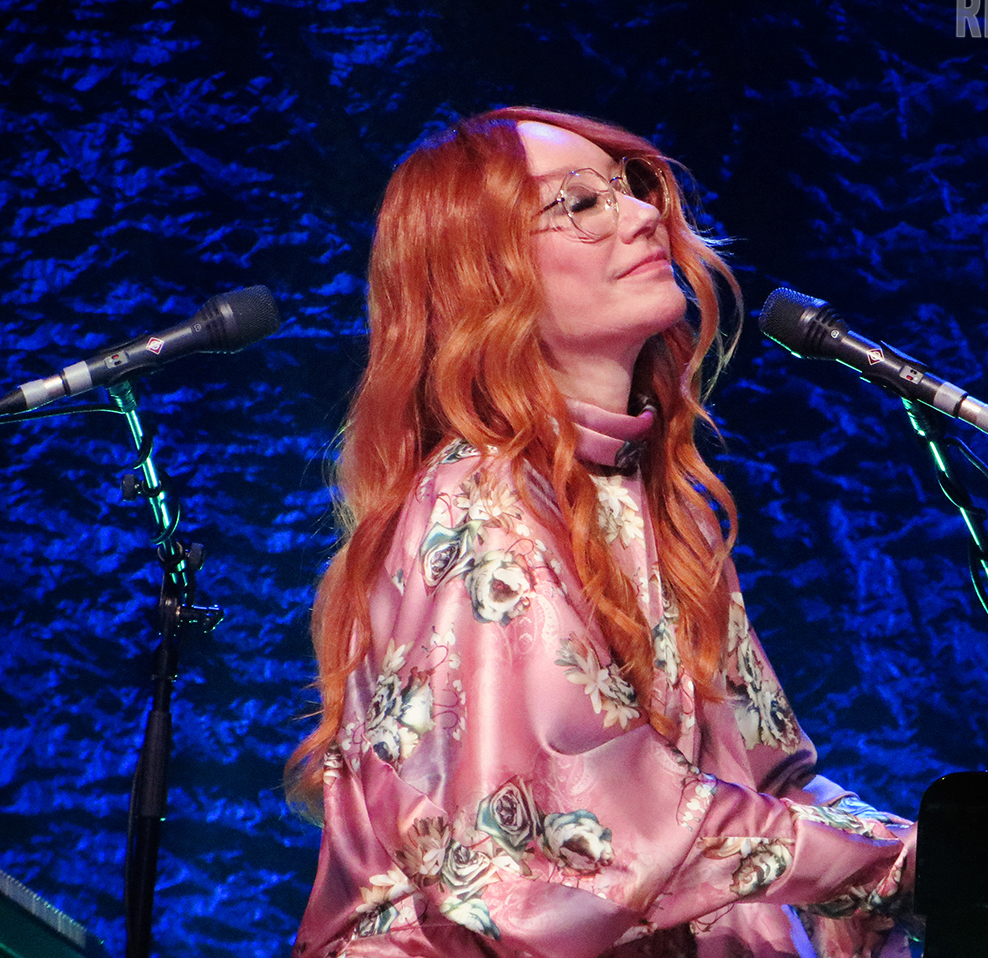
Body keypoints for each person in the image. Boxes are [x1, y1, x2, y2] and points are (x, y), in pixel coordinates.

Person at [286, 106, 917, 958]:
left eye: (629, 187)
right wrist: (883, 864)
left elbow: (767, 780)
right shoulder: (481, 507)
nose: (645, 214)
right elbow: (599, 820)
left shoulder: (659, 506)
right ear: (486, 274)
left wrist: (926, 850)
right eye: (580, 203)